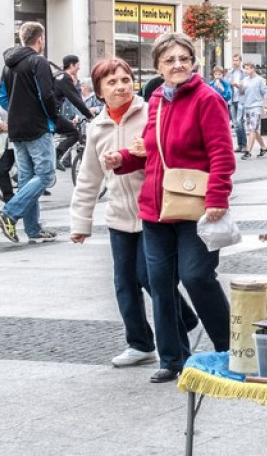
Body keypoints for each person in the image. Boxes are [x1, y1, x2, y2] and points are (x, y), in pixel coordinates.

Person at [105, 32, 233, 383]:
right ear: (158, 66)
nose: (177, 65)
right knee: (160, 284)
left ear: (193, 62)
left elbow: (222, 153)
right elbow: (151, 150)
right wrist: (123, 159)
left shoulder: (207, 99)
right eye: (169, 60)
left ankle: (230, 350)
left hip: (195, 207)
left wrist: (218, 198)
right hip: (155, 207)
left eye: (183, 59)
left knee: (196, 276)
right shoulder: (157, 98)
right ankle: (173, 358)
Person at [70, 57, 200, 369]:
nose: (120, 87)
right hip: (118, 216)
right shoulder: (96, 128)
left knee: (151, 278)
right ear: (99, 91)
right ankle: (140, 343)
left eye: (125, 80)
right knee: (124, 282)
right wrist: (81, 222)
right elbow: (89, 177)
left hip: (154, 213)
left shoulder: (149, 112)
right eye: (111, 82)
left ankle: (180, 332)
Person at [0, 22, 59, 245]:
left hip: (16, 127)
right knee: (46, 175)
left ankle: (33, 228)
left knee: (28, 178)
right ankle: (8, 213)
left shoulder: (7, 65)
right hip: (37, 125)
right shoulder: (38, 61)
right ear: (40, 39)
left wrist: (16, 111)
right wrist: (53, 117)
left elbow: (1, 97)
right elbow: (47, 95)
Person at [53, 55, 95, 171]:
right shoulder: (64, 77)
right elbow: (75, 98)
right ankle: (56, 156)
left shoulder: (56, 75)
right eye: (77, 65)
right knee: (74, 133)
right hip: (52, 114)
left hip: (45, 113)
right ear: (71, 65)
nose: (79, 67)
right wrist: (89, 115)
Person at [240, 62, 267, 160]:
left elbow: (264, 94)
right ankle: (264, 147)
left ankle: (248, 151)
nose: (246, 71)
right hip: (247, 106)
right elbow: (242, 92)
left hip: (256, 106)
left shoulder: (260, 80)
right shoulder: (245, 80)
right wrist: (238, 86)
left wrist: (265, 106)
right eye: (245, 69)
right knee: (253, 130)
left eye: (247, 69)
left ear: (253, 69)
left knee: (252, 129)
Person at [225, 54, 248, 154]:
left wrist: (239, 85)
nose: (235, 62)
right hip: (232, 99)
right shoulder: (230, 73)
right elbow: (225, 83)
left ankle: (244, 144)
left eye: (237, 60)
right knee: (235, 123)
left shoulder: (244, 73)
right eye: (233, 60)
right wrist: (229, 83)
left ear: (240, 61)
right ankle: (240, 145)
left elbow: (247, 86)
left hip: (241, 99)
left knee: (239, 121)